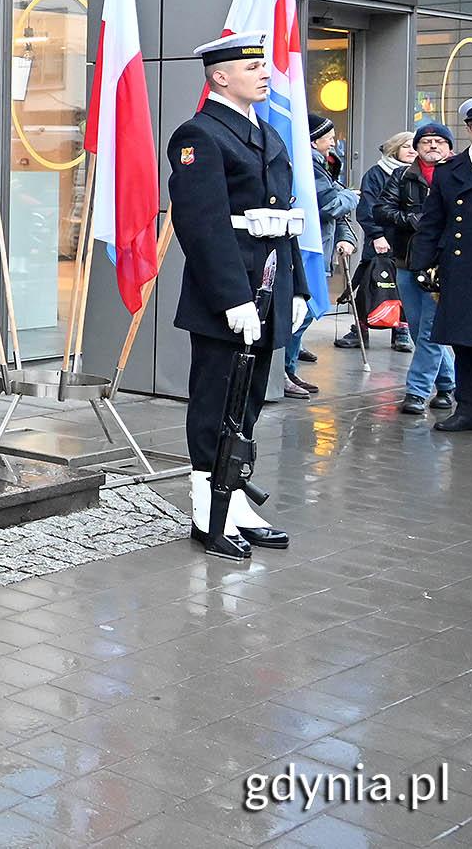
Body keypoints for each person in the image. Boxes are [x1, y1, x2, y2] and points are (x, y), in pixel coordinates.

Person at [167, 34, 309, 560]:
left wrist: (298, 287)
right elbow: (202, 225)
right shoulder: (200, 135)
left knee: (247, 399)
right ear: (219, 76)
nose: (265, 72)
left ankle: (237, 495)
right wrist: (232, 298)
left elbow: (281, 218)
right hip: (228, 292)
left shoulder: (266, 132)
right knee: (216, 399)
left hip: (269, 284)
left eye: (264, 64)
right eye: (253, 66)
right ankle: (208, 504)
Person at [406, 96, 472, 440]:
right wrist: (421, 264)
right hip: (460, 266)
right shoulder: (450, 171)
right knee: (464, 342)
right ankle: (467, 408)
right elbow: (433, 221)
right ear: (467, 129)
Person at [280, 114, 358, 398]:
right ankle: (283, 372)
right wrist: (352, 195)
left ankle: (288, 369)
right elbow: (329, 205)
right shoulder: (311, 164)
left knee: (304, 315)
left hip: (319, 250)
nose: (335, 142)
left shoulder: (325, 164)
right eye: (329, 137)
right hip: (307, 252)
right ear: (314, 140)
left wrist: (346, 237)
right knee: (299, 314)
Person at [382, 122, 457, 414]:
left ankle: (416, 391)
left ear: (449, 147)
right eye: (426, 142)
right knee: (416, 326)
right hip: (407, 261)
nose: (433, 146)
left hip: (443, 265)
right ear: (417, 147)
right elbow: (382, 210)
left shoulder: (459, 175)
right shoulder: (403, 175)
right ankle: (449, 385)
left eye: (440, 141)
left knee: (429, 329)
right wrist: (414, 220)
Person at [346, 131, 417, 352]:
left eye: (415, 146)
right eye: (406, 146)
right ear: (395, 148)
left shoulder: (418, 174)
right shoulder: (376, 174)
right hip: (380, 239)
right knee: (368, 282)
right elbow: (366, 208)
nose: (411, 150)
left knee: (403, 286)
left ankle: (401, 331)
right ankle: (360, 329)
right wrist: (377, 235)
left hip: (407, 241)